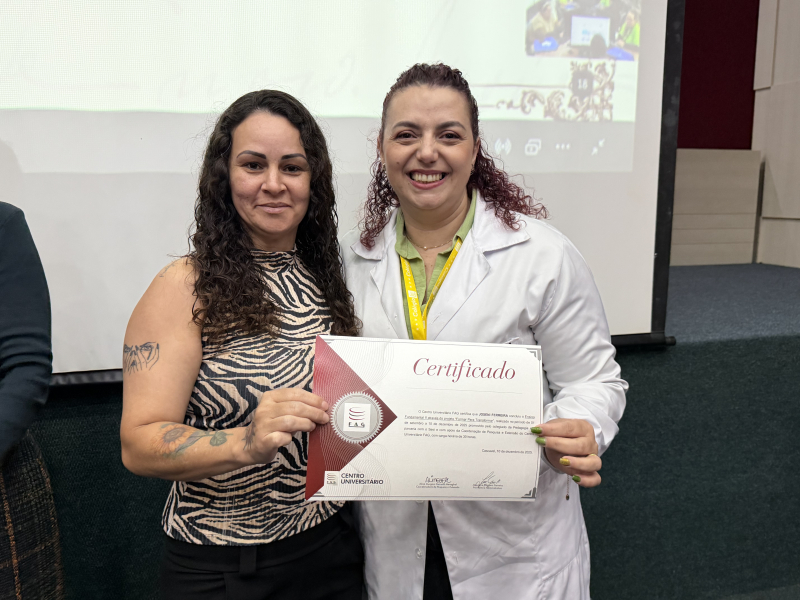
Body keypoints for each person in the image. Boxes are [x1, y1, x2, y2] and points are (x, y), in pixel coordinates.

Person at [342, 63, 627, 599]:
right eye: (407, 135)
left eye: (449, 135)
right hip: (396, 539)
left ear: (475, 150)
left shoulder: (542, 256)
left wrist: (576, 429)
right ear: (382, 149)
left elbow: (593, 382)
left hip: (514, 551)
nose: (427, 152)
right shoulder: (350, 263)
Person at [120, 90, 363, 599]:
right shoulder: (185, 285)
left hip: (331, 549)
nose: (274, 184)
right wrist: (243, 443)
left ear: (313, 181)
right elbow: (138, 445)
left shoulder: (330, 277)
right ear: (223, 177)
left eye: (292, 167)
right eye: (253, 165)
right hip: (225, 566)